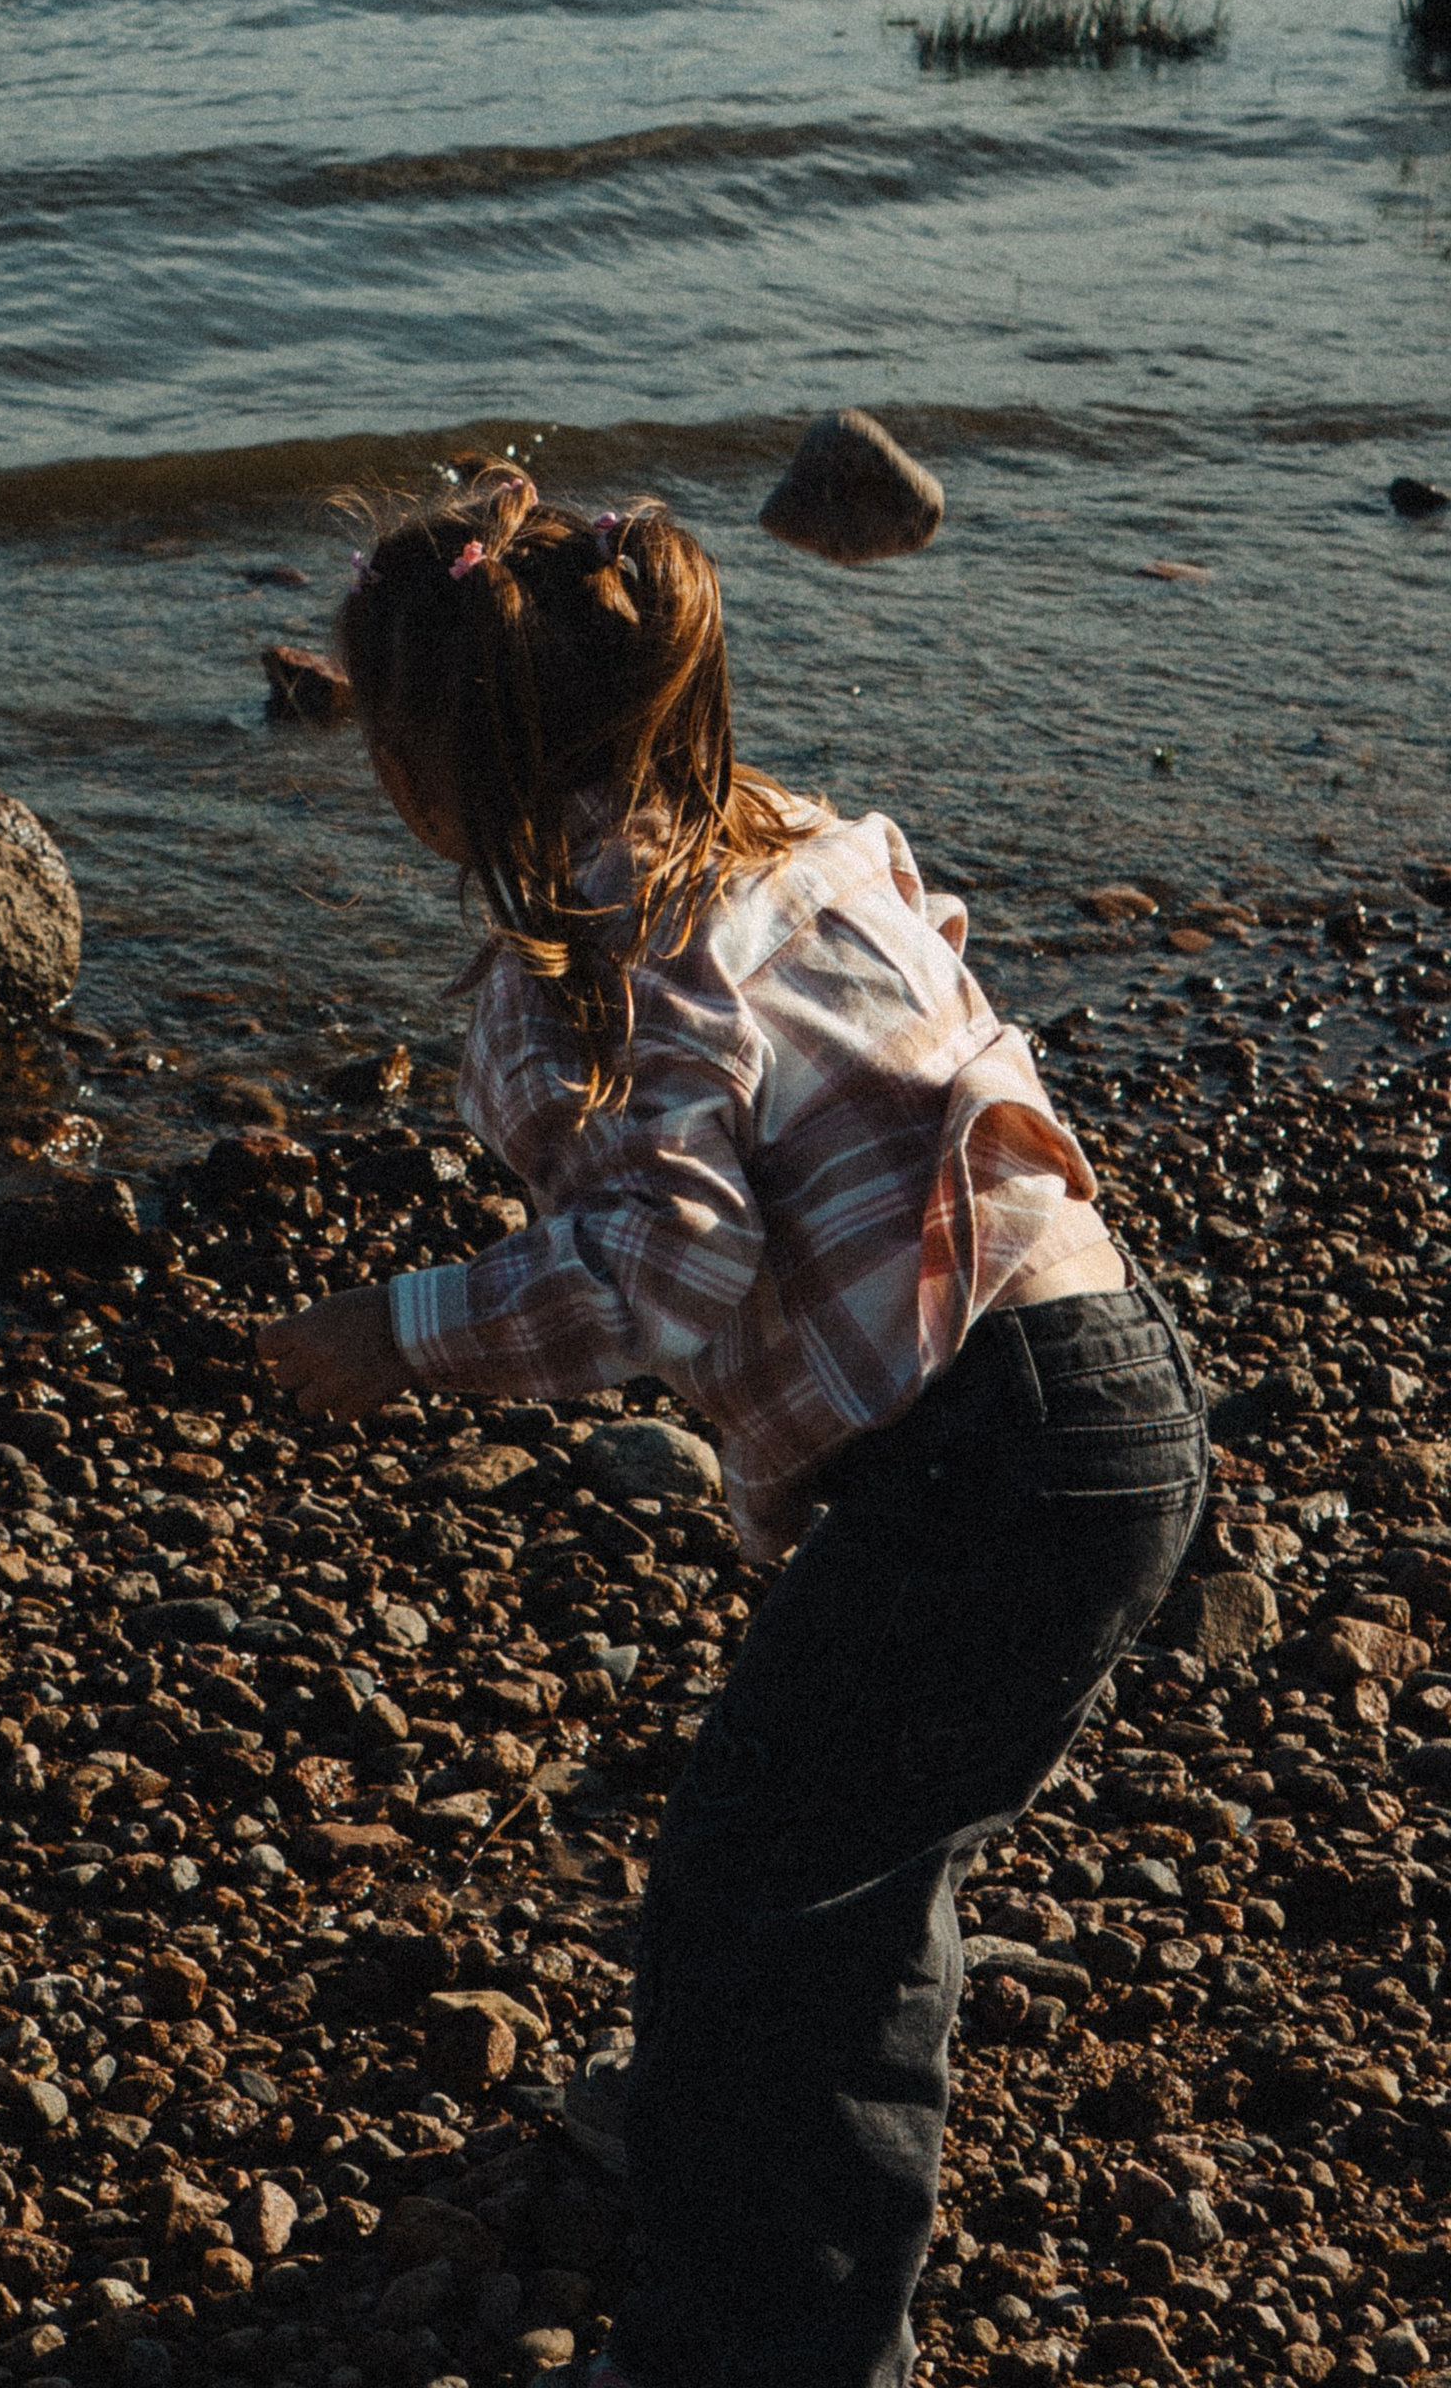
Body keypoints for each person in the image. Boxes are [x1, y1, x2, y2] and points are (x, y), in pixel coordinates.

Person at [256, 461, 1209, 2388]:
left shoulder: (588, 971)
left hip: (987, 1454)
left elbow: (660, 1271)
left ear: (448, 770)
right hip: (1110, 1385)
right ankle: (747, 2205)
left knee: (768, 1901)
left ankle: (766, 2344)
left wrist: (405, 1330)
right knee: (843, 1856)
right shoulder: (792, 839)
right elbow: (918, 996)